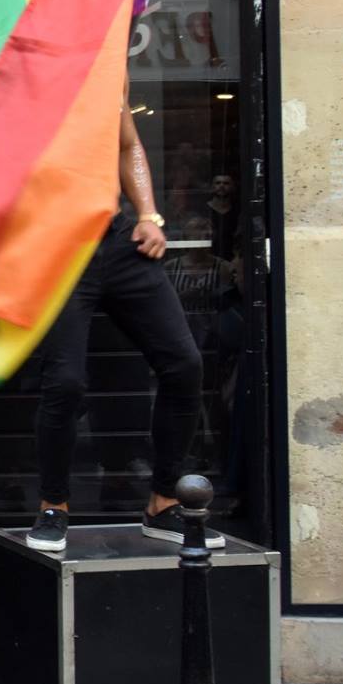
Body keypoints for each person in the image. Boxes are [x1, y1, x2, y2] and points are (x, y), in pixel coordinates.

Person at [27, 98, 214, 552]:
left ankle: (163, 501)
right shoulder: (25, 61)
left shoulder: (107, 60)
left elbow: (127, 142)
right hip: (60, 246)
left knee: (184, 364)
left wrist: (148, 214)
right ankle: (54, 505)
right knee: (66, 383)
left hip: (117, 236)